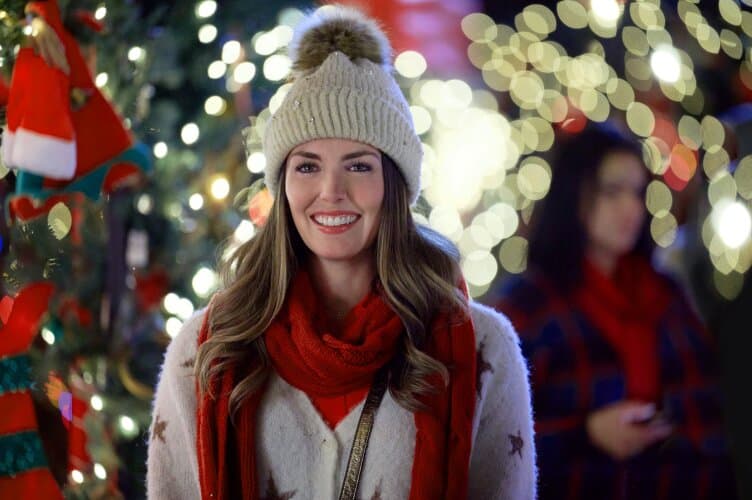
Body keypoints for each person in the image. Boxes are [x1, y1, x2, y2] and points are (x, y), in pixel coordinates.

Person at [147, 6, 536, 500]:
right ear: (282, 185)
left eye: (358, 166)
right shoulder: (207, 349)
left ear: (393, 186)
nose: (331, 191)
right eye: (307, 168)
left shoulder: (481, 348)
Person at [493, 122, 736, 499]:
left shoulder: (665, 295)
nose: (632, 208)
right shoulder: (529, 309)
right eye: (612, 191)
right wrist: (586, 434)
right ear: (575, 195)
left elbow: (713, 419)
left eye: (638, 193)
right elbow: (493, 439)